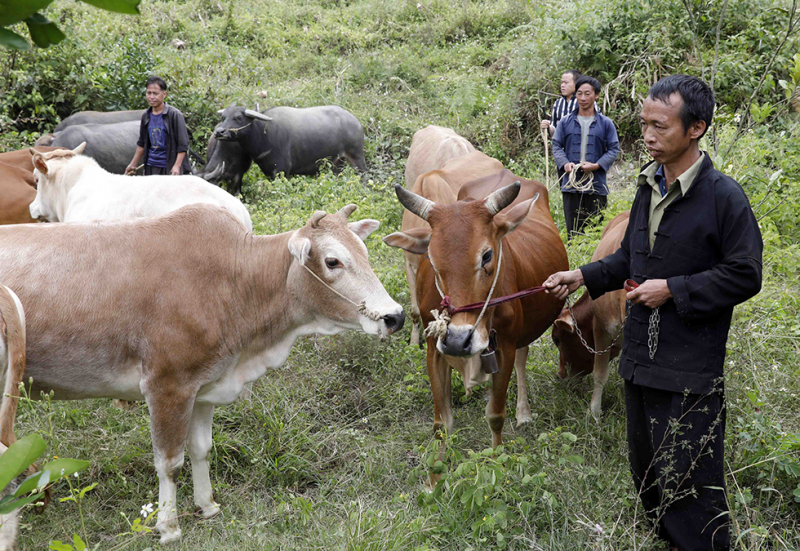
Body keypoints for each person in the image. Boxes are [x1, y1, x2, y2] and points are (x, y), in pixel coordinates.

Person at [544, 74, 763, 551]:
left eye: (660, 126)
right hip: (640, 358)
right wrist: (581, 275)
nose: (647, 135)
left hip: (689, 365)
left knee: (691, 480)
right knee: (647, 472)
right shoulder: (647, 185)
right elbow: (630, 260)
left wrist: (674, 289)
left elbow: (746, 275)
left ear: (696, 128)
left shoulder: (724, 198)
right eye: (643, 124)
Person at [551, 75, 619, 238]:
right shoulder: (565, 122)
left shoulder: (606, 123)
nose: (582, 98)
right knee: (573, 232)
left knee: (596, 231)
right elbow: (556, 145)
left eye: (587, 94)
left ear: (596, 95)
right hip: (571, 185)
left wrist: (596, 165)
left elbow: (613, 148)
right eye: (579, 93)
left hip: (596, 185)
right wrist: (565, 163)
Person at [126, 76, 192, 176]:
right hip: (151, 166)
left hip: (169, 167)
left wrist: (177, 166)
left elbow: (183, 145)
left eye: (155, 93)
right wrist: (133, 164)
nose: (151, 97)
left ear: (164, 94)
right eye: (149, 93)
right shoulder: (146, 116)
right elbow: (142, 143)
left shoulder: (174, 115)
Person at [540, 69, 583, 137]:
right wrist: (547, 127)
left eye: (566, 83)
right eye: (562, 82)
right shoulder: (558, 103)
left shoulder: (586, 102)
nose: (562, 85)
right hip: (562, 146)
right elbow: (554, 130)